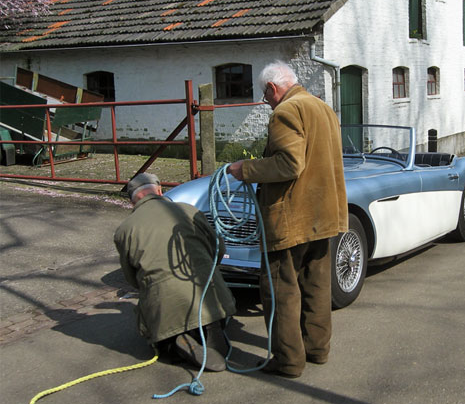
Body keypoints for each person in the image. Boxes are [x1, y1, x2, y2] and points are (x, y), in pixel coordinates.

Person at [228, 61, 348, 378]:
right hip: (323, 214)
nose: (265, 101)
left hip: (291, 219)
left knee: (280, 290)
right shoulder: (322, 108)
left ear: (273, 88)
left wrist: (246, 170)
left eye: (265, 95)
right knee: (316, 285)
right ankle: (317, 349)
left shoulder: (285, 112)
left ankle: (288, 361)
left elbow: (289, 164)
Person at [113, 172, 236, 372]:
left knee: (158, 325)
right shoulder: (189, 210)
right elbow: (219, 249)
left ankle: (174, 342)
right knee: (210, 309)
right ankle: (211, 326)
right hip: (211, 297)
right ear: (160, 191)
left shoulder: (125, 230)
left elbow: (132, 279)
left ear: (132, 202)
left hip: (166, 307)